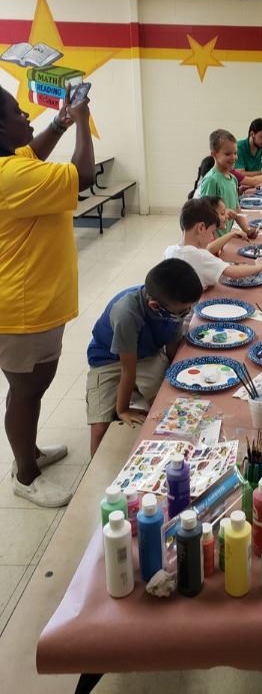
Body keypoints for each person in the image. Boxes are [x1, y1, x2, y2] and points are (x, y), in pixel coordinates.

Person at [0, 85, 94, 507]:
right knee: (26, 389)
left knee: (34, 384)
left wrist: (61, 121)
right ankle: (25, 474)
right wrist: (83, 120)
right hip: (20, 306)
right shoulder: (10, 175)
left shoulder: (11, 161)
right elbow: (85, 174)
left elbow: (33, 151)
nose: (28, 118)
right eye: (20, 113)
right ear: (2, 128)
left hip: (35, 299)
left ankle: (30, 450)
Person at [86, 259, 202, 456]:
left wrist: (178, 377)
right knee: (100, 425)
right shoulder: (126, 314)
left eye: (190, 308)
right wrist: (122, 410)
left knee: (167, 404)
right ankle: (96, 469)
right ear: (154, 306)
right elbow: (127, 369)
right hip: (108, 360)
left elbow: (173, 346)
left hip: (147, 354)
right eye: (183, 311)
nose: (187, 313)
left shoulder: (174, 305)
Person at [164, 198, 262, 287]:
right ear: (201, 228)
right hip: (195, 304)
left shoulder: (169, 250)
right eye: (212, 232)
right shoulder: (201, 256)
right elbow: (234, 273)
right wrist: (260, 266)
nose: (212, 237)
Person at [196, 129, 256, 238]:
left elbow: (237, 211)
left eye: (235, 153)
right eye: (228, 154)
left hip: (224, 240)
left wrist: (247, 230)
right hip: (212, 242)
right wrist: (223, 213)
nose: (233, 157)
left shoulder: (233, 179)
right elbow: (205, 215)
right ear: (214, 154)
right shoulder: (211, 180)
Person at [189, 155, 262, 200]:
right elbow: (253, 181)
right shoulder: (213, 179)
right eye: (228, 154)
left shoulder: (227, 177)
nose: (235, 158)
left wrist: (238, 191)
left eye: (235, 154)